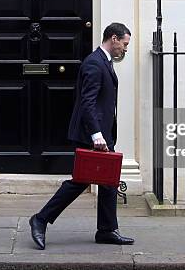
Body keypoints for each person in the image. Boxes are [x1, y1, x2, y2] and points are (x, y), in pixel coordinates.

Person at [28, 22, 135, 249]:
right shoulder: (95, 64)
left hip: (102, 132)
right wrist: (96, 135)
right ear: (114, 38)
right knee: (79, 181)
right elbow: (87, 102)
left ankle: (106, 230)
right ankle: (40, 218)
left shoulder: (104, 61)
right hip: (92, 134)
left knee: (108, 181)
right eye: (124, 44)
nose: (125, 49)